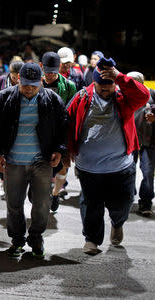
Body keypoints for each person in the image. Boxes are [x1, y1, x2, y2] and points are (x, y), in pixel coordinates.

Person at [66, 57, 150, 255]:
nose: (105, 90)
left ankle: (117, 222)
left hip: (121, 165)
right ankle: (92, 240)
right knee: (91, 205)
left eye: (109, 86)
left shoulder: (124, 97)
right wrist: (66, 149)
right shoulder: (81, 98)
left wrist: (119, 77)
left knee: (123, 203)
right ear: (93, 82)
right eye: (100, 86)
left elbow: (143, 95)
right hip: (89, 166)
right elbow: (67, 122)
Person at [0, 62, 68, 258]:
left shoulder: (52, 99)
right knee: (14, 203)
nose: (29, 89)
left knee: (41, 204)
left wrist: (59, 150)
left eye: (33, 85)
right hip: (13, 161)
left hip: (42, 162)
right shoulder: (4, 98)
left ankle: (36, 238)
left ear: (40, 81)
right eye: (25, 85)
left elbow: (63, 126)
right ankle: (17, 240)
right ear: (18, 81)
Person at [40, 51, 77, 212]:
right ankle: (43, 193)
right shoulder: (36, 83)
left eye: (52, 73)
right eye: (46, 72)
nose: (49, 76)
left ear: (59, 69)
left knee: (62, 167)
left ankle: (55, 194)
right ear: (41, 67)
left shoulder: (69, 85)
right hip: (40, 133)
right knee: (41, 167)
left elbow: (72, 113)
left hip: (61, 133)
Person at [128, 71, 155, 217]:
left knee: (148, 172)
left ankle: (145, 202)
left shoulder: (152, 94)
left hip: (148, 141)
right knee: (127, 170)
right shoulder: (124, 95)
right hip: (129, 140)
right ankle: (128, 196)